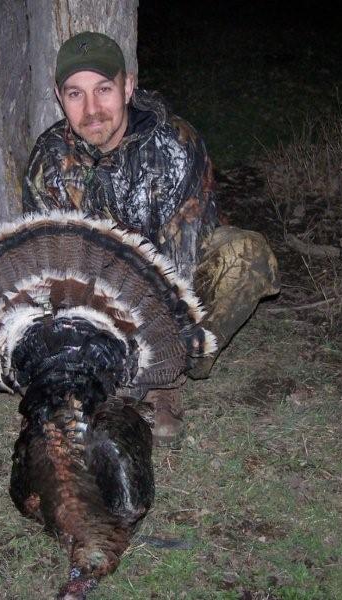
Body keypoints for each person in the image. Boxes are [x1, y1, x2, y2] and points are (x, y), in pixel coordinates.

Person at [23, 31, 279, 444]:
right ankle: (109, 377)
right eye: (75, 94)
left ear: (128, 87)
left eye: (103, 89)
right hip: (96, 309)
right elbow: (48, 269)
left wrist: (156, 357)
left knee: (246, 254)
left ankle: (167, 380)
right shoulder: (49, 159)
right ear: (58, 96)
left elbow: (181, 268)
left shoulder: (174, 145)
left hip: (172, 295)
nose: (91, 109)